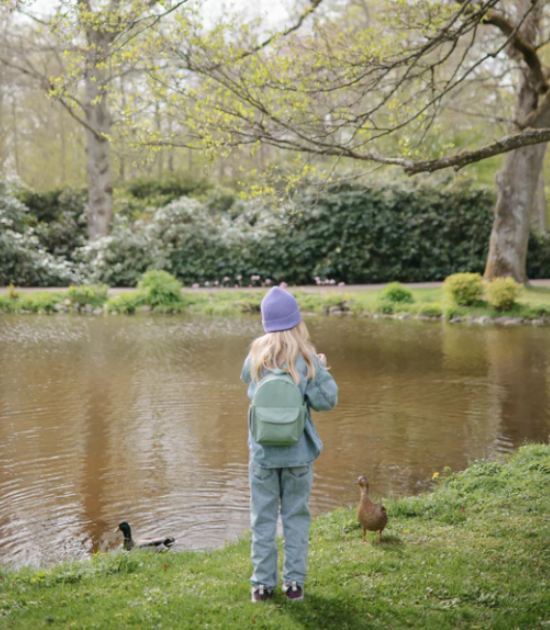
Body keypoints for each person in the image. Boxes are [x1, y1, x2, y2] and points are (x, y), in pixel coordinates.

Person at [241, 286, 339, 603]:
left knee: (263, 519)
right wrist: (320, 368)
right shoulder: (307, 357)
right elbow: (327, 401)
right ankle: (294, 584)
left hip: (262, 456)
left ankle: (261, 586)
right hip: (298, 455)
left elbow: (248, 384)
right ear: (296, 321)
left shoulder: (256, 356)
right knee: (296, 518)